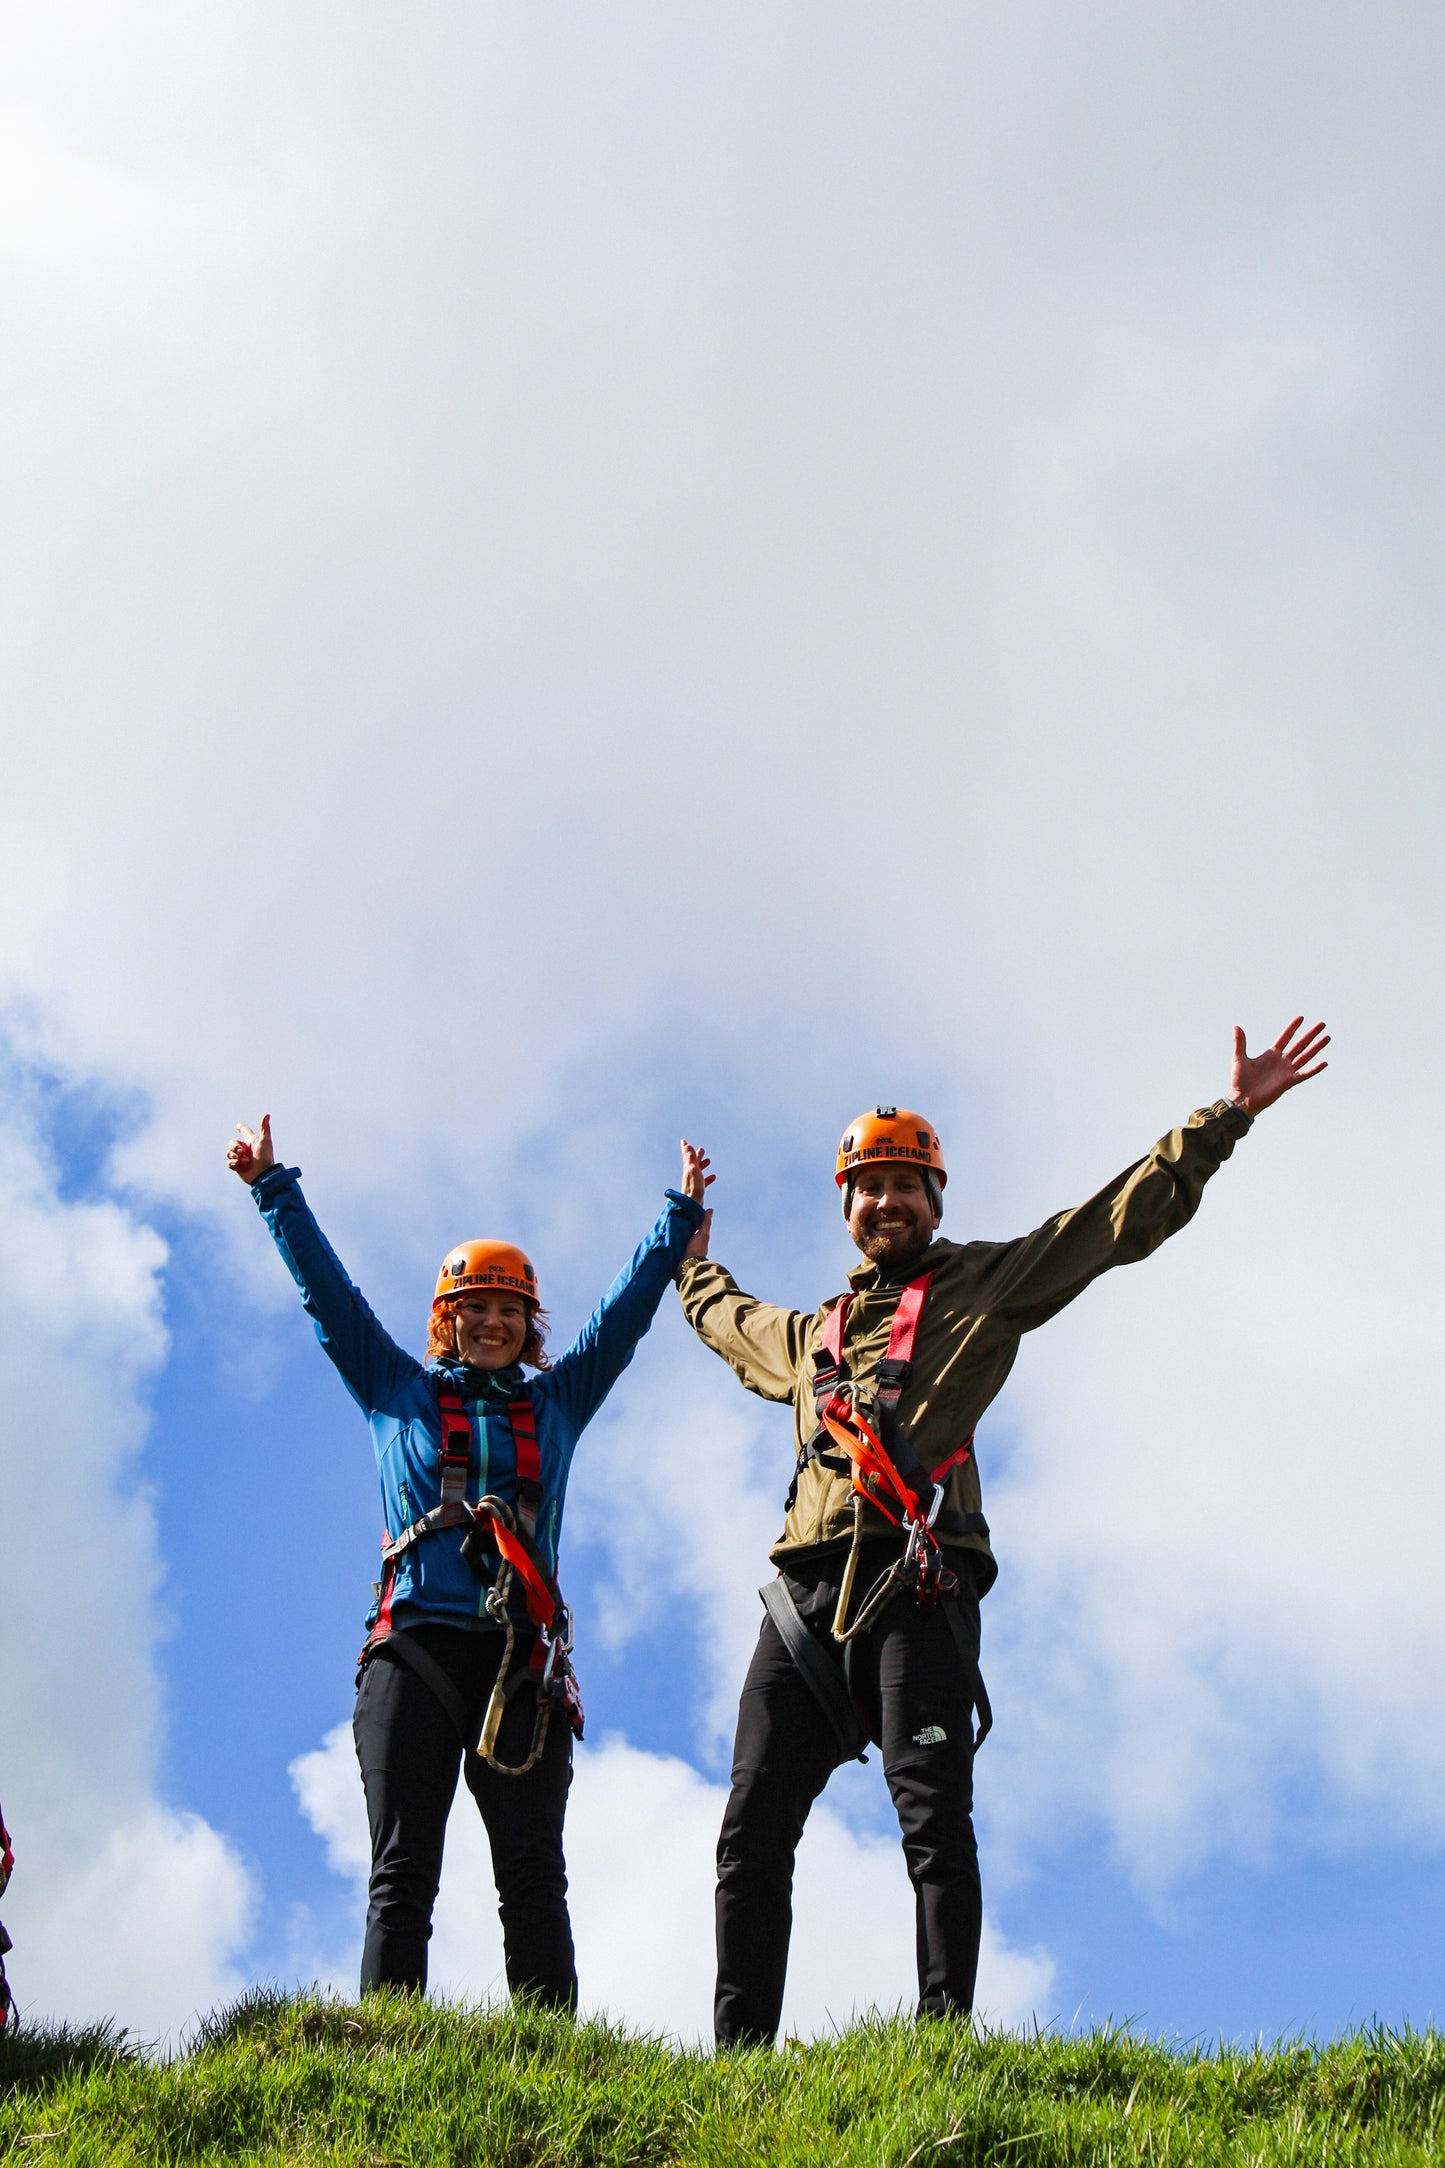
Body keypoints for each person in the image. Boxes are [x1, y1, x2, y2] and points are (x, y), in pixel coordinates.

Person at [676, 1018, 1329, 2046]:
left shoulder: (986, 1284)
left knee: (931, 1821)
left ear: (936, 1198)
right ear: (844, 1206)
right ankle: (735, 2061)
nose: (884, 1200)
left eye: (905, 1183)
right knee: (747, 1835)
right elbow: (725, 1319)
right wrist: (689, 1261)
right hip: (800, 1600)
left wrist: (1226, 1115)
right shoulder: (810, 1337)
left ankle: (940, 2047)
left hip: (917, 1579)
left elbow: (1113, 1221)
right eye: (867, 1186)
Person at [228, 1114, 709, 2007]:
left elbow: (621, 1320)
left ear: (529, 1325)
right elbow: (328, 1298)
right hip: (411, 1648)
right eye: (473, 1307)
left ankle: (545, 2063)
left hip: (519, 1661)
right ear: (445, 1320)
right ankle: (386, 2052)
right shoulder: (394, 1392)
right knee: (401, 1870)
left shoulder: (557, 1404)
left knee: (532, 1875)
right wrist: (273, 1190)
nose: (491, 1322)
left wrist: (675, 1221)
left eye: (509, 1309)